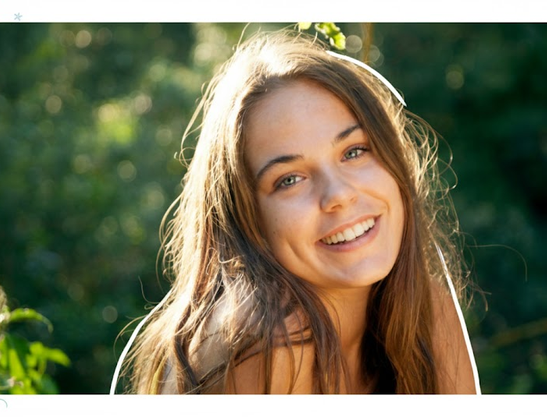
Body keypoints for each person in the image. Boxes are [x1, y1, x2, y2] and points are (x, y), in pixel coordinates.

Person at [122, 29, 479, 394]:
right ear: (246, 219)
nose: (338, 195)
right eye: (290, 179)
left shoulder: (426, 311)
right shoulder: (266, 344)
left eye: (354, 152)